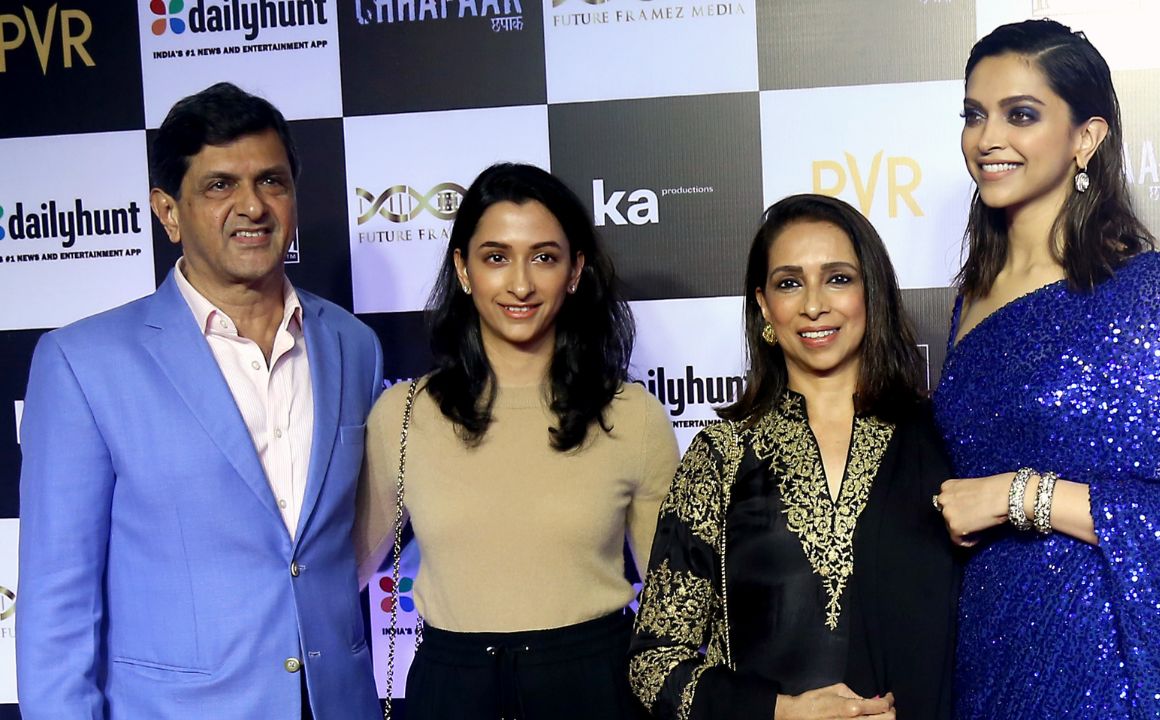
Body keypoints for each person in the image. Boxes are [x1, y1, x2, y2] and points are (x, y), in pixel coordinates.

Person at [16, 83, 383, 719]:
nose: (253, 206)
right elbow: (57, 602)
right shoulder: (83, 363)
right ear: (168, 212)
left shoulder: (354, 345)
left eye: (271, 181)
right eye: (219, 186)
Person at [932, 19, 1160, 720]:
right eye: (974, 115)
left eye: (1021, 115)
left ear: (1086, 138)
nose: (988, 138)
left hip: (1104, 656)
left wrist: (1016, 495)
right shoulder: (971, 299)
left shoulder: (1139, 290)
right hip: (992, 644)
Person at [354, 162, 679, 719]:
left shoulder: (633, 417)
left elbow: (677, 606)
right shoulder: (403, 415)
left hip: (593, 687)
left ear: (575, 271)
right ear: (463, 269)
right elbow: (338, 574)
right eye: (496, 257)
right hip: (450, 693)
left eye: (544, 258)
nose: (521, 284)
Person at [629, 194, 960, 720]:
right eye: (789, 283)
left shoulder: (943, 440)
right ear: (763, 306)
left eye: (838, 278)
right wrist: (781, 711)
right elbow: (654, 664)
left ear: (871, 291)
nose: (813, 305)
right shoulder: (720, 456)